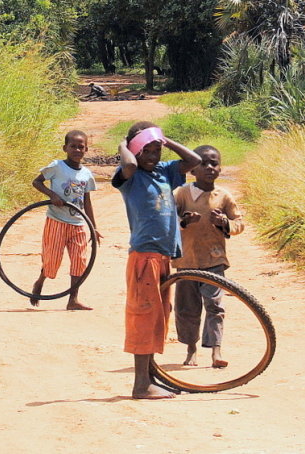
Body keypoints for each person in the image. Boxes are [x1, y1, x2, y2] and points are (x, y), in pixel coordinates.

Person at [111, 121, 201, 399]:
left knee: (158, 317)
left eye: (155, 150)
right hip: (144, 255)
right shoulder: (130, 177)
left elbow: (194, 160)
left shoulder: (164, 172)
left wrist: (164, 139)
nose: (152, 156)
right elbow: (128, 166)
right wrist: (124, 145)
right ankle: (140, 384)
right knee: (144, 317)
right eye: (145, 150)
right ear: (135, 151)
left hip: (163, 256)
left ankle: (151, 378)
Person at [171, 145, 244, 369]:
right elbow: (168, 221)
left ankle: (216, 351)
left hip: (214, 261)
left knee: (215, 306)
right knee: (187, 309)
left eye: (214, 163)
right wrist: (184, 222)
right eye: (203, 163)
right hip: (186, 263)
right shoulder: (181, 193)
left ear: (220, 168)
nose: (209, 167)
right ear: (192, 169)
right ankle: (191, 348)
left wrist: (224, 223)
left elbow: (239, 223)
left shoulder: (223, 196)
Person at [31, 130, 102, 310]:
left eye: (81, 147)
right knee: (52, 260)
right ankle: (40, 281)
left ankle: (73, 300)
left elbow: (87, 201)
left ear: (86, 149)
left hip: (78, 223)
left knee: (80, 260)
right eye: (73, 146)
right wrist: (52, 195)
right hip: (56, 220)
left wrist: (93, 227)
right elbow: (37, 182)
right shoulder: (57, 167)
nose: (77, 150)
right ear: (65, 148)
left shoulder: (87, 174)